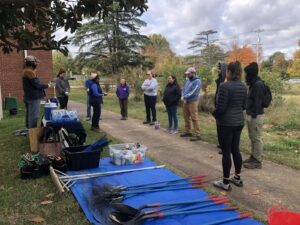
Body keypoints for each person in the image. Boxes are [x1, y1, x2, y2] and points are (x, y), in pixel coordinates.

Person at [212, 61, 247, 191]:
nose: (225, 73)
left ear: (230, 72)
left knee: (226, 152)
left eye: (227, 71)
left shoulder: (224, 86)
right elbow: (244, 105)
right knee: (235, 150)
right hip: (239, 122)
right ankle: (237, 177)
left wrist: (213, 115)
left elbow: (221, 107)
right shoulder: (243, 86)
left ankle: (225, 182)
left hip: (226, 123)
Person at [243, 62, 265, 169]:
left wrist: (252, 116)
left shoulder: (258, 84)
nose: (245, 75)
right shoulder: (254, 83)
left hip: (255, 116)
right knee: (252, 137)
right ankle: (253, 156)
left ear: (251, 73)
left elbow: (258, 102)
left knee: (256, 138)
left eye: (247, 73)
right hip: (252, 114)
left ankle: (257, 161)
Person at [22, 55, 52, 128]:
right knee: (33, 117)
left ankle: (29, 131)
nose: (36, 64)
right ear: (31, 63)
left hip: (29, 97)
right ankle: (33, 134)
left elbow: (33, 84)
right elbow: (37, 85)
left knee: (29, 114)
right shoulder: (29, 72)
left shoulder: (26, 71)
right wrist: (48, 85)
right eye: (35, 62)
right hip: (33, 98)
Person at [180, 67, 201, 141]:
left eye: (189, 74)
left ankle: (198, 134)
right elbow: (183, 88)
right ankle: (188, 131)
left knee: (194, 118)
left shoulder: (197, 81)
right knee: (186, 117)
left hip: (193, 101)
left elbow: (194, 92)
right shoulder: (187, 80)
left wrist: (185, 96)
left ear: (193, 73)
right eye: (187, 74)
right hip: (186, 100)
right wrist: (182, 95)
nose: (187, 75)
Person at [215, 62, 228, 153]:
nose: (218, 70)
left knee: (224, 128)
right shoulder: (219, 80)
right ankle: (221, 143)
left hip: (225, 109)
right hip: (218, 107)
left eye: (219, 69)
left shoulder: (226, 82)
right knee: (219, 127)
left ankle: (225, 146)